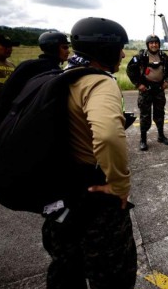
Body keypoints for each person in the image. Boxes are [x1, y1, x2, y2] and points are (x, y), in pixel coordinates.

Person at [41, 17, 137, 288]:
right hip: (93, 198)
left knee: (66, 271)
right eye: (119, 47)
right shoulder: (99, 82)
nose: (122, 53)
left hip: (60, 194)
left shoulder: (64, 76)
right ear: (105, 49)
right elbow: (107, 135)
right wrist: (119, 184)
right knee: (114, 277)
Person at [0, 31, 71, 117]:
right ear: (53, 48)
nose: (68, 51)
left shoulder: (27, 64)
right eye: (65, 47)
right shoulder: (51, 70)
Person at [127, 34, 168, 149]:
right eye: (151, 43)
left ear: (159, 44)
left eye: (156, 42)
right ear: (148, 44)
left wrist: (166, 81)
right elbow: (130, 69)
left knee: (160, 113)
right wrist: (138, 84)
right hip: (145, 90)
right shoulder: (141, 56)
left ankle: (161, 136)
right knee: (145, 115)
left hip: (159, 90)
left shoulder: (163, 56)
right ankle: (143, 140)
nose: (154, 45)